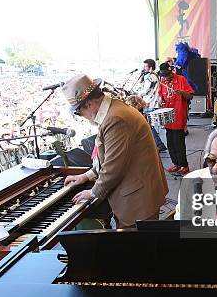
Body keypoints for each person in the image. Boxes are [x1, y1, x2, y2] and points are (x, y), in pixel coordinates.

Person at [62, 74, 168, 228]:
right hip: (139, 192)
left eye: (78, 113)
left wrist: (93, 193)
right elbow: (109, 157)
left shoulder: (115, 119)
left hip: (138, 202)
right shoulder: (113, 110)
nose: (82, 117)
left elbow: (113, 167)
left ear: (89, 104)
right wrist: (86, 176)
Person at [157, 63, 194, 175]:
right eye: (164, 75)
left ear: (171, 71)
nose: (166, 77)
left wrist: (183, 93)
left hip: (178, 115)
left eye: (168, 75)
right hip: (167, 117)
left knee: (179, 142)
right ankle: (176, 164)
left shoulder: (181, 79)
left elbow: (191, 96)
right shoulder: (162, 82)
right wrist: (159, 100)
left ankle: (184, 165)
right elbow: (160, 96)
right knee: (170, 143)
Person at [132, 58, 166, 152]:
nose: (143, 68)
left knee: (149, 125)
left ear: (150, 67)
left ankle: (159, 144)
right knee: (149, 125)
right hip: (149, 103)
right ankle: (158, 144)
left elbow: (145, 91)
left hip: (150, 103)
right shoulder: (149, 76)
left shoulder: (151, 77)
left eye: (145, 66)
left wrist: (136, 93)